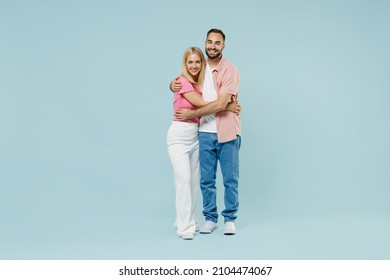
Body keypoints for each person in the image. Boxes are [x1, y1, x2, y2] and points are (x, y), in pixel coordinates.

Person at [171, 28, 241, 235]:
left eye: (217, 43)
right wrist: (171, 84)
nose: (212, 46)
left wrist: (223, 107)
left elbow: (220, 103)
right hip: (203, 132)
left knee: (230, 178)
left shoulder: (230, 70)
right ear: (205, 42)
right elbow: (182, 81)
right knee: (206, 180)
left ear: (223, 46)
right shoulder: (199, 67)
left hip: (227, 131)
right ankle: (210, 218)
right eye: (210, 42)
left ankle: (230, 218)